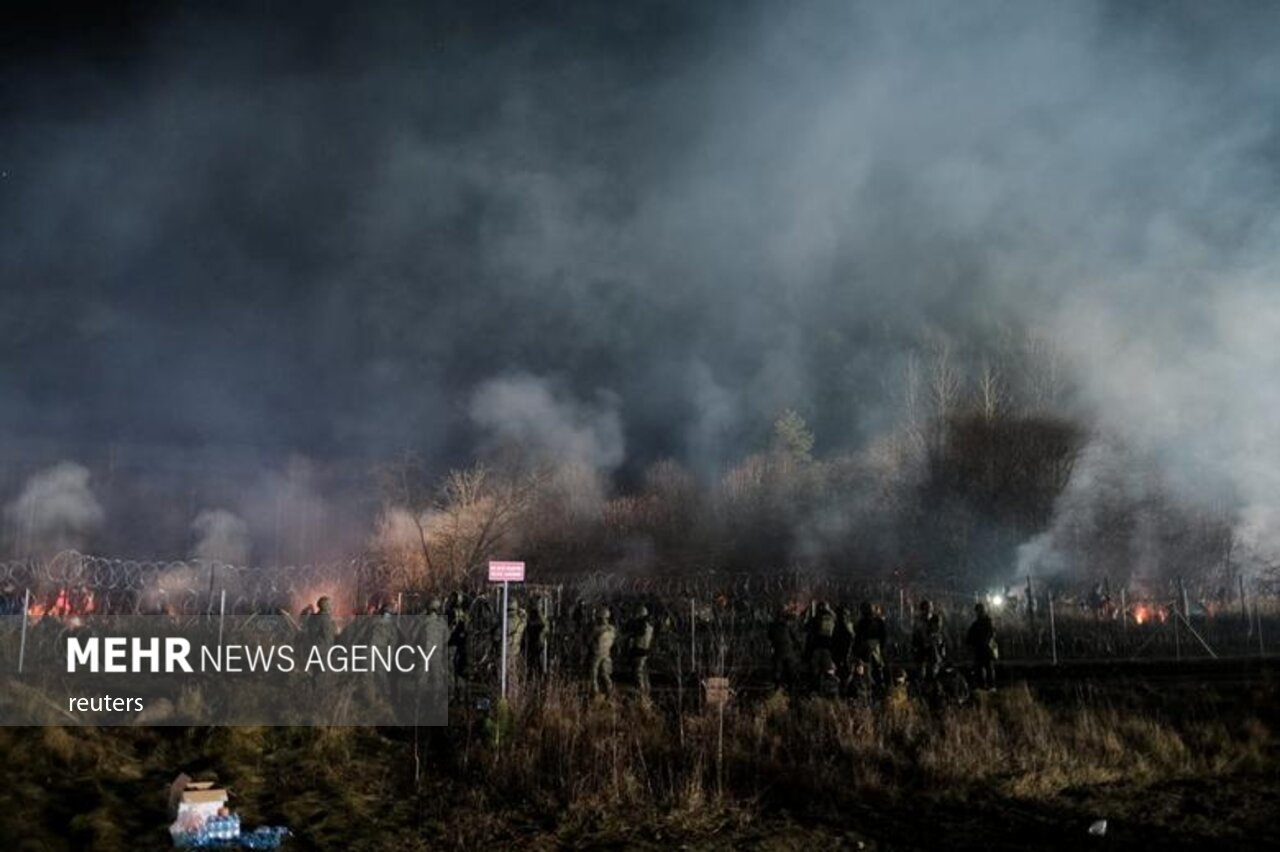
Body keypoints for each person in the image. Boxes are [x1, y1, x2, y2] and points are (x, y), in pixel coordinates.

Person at [853, 601, 888, 689]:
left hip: (868, 648)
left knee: (869, 669)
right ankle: (878, 686)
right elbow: (883, 636)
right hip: (874, 648)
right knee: (876, 669)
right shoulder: (878, 621)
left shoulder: (863, 622)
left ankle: (872, 686)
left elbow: (858, 637)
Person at [767, 605, 801, 693]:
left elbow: (769, 637)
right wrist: (798, 645)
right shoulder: (787, 625)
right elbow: (795, 637)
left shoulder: (772, 625)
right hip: (788, 651)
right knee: (790, 671)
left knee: (777, 671)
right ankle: (791, 689)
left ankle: (777, 688)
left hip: (778, 651)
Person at [911, 599, 946, 682]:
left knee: (933, 669)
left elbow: (936, 632)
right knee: (921, 670)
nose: (928, 610)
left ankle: (933, 683)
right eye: (926, 608)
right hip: (922, 647)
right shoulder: (919, 620)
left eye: (929, 607)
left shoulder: (936, 618)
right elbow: (916, 634)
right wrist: (915, 646)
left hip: (933, 647)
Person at [965, 602, 998, 691]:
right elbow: (969, 638)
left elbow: (991, 634)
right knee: (980, 669)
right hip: (980, 650)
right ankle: (983, 686)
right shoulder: (976, 624)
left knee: (988, 669)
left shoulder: (988, 622)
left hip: (986, 649)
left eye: (981, 610)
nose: (980, 612)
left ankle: (990, 686)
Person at [625, 604, 655, 696]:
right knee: (645, 677)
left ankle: (642, 698)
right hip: (645, 653)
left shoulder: (641, 625)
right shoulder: (650, 625)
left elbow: (632, 634)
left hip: (639, 652)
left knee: (639, 677)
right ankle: (646, 695)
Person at [589, 606, 617, 696]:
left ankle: (595, 692)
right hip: (607, 654)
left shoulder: (596, 629)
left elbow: (589, 640)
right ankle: (610, 691)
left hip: (597, 653)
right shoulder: (612, 629)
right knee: (605, 674)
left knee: (593, 674)